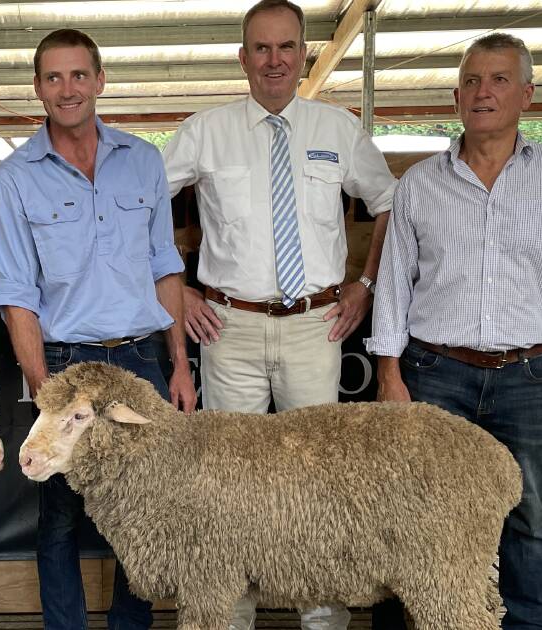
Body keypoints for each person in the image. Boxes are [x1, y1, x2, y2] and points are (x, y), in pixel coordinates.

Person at [161, 1, 396, 628]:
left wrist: (365, 285)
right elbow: (140, 205)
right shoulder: (204, 130)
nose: (273, 60)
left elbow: (390, 204)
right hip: (227, 325)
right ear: (242, 57)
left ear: (303, 55)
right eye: (260, 49)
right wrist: (178, 292)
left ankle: (323, 621)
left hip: (316, 326)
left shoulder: (338, 129)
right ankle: (226, 620)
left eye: (286, 47)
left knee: (318, 486)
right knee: (229, 490)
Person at [366, 33, 542, 630]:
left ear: (526, 93)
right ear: (456, 96)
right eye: (472, 80)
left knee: (525, 513)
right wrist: (390, 375)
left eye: (499, 79)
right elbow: (394, 284)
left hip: (526, 376)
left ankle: (526, 623)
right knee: (414, 512)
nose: (483, 91)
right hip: (434, 373)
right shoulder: (421, 182)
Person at [0, 28, 196, 630]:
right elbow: (16, 296)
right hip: (67, 364)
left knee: (146, 508)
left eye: (79, 75)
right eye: (54, 77)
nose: (67, 88)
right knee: (59, 514)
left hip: (141, 363)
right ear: (37, 89)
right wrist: (43, 386)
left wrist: (178, 363)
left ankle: (131, 624)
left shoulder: (143, 161)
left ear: (100, 81)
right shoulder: (15, 179)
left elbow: (164, 265)